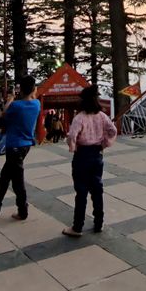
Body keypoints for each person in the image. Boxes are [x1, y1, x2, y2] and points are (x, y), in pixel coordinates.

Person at [0, 76, 41, 221]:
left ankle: (22, 211)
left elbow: (4, 115)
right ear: (33, 89)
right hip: (25, 146)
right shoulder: (37, 104)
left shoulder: (16, 105)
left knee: (17, 182)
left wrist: (11, 97)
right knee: (5, 177)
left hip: (14, 146)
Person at [62, 86, 118, 237]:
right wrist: (104, 143)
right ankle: (99, 223)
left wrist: (72, 147)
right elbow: (113, 130)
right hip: (97, 154)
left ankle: (77, 227)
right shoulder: (101, 116)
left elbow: (72, 136)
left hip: (82, 156)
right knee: (97, 189)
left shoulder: (79, 117)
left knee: (81, 192)